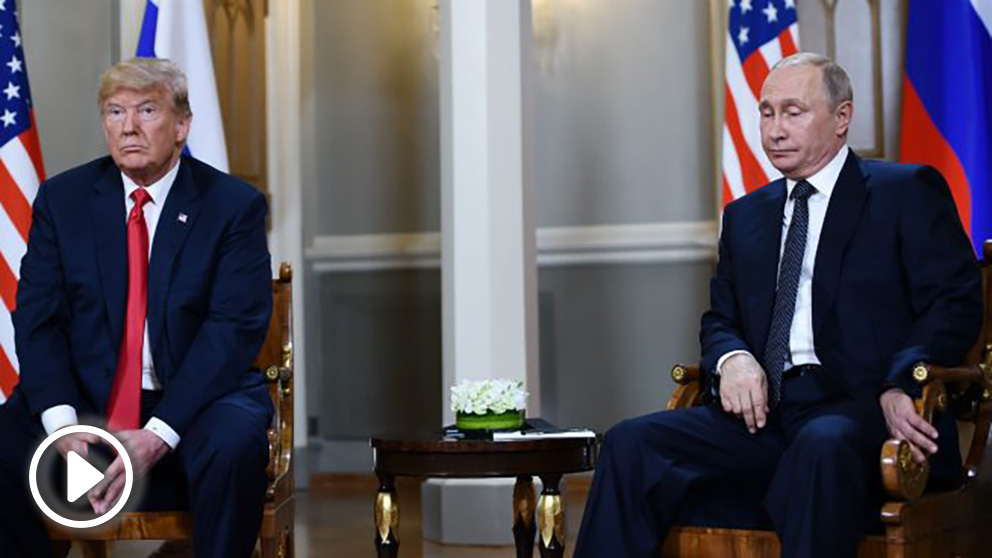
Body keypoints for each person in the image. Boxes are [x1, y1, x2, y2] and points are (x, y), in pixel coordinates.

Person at [574, 52, 983, 558]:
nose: (775, 129)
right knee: (630, 443)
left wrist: (903, 379)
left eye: (794, 112)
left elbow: (956, 302)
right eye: (766, 112)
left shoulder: (905, 192)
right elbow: (720, 319)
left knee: (821, 445)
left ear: (842, 117)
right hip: (764, 415)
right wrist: (733, 358)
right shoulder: (746, 216)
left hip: (862, 408)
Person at [0, 58, 273, 558]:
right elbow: (38, 320)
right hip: (89, 398)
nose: (128, 127)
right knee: (5, 442)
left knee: (233, 445)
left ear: (182, 126)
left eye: (147, 110)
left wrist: (159, 433)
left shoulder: (231, 206)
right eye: (114, 112)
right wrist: (63, 427)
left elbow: (230, 331)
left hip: (198, 400)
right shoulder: (64, 201)